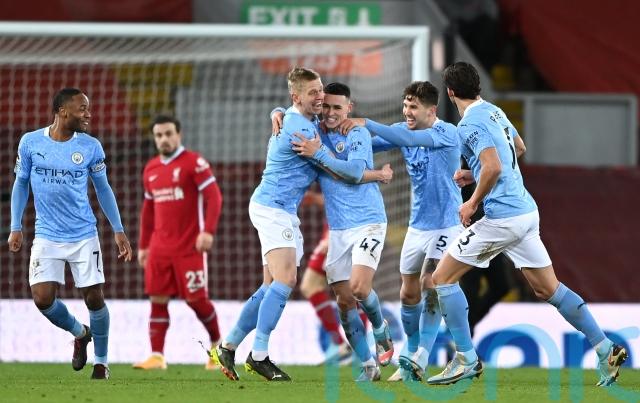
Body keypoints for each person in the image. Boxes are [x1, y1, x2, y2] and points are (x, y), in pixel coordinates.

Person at [426, 61, 627, 386]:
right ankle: (605, 348)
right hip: (526, 213)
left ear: (450, 93)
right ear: (477, 86)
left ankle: (465, 358)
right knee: (549, 288)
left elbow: (493, 167)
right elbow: (518, 148)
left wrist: (472, 201)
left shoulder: (469, 124)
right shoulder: (494, 111)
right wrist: (474, 173)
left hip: (502, 218)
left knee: (441, 278)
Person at [338, 81, 463, 382]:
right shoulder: (401, 130)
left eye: (413, 107)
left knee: (430, 282)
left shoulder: (446, 132)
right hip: (417, 226)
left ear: (431, 110)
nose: (407, 111)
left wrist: (366, 121)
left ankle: (419, 356)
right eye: (405, 105)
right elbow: (370, 144)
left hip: (448, 223)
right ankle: (412, 351)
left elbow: (401, 137)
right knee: (408, 292)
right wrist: (340, 142)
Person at [8, 87, 133, 380]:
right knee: (42, 298)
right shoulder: (30, 142)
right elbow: (21, 183)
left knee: (94, 298)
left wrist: (118, 230)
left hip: (83, 234)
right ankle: (80, 333)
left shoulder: (90, 147)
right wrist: (16, 226)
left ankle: (101, 363)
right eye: (82, 108)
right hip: (46, 234)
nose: (88, 114)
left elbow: (103, 188)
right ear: (63, 111)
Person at [210, 67, 326, 382]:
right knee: (286, 279)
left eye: (321, 89)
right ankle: (259, 355)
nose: (320, 96)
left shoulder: (297, 118)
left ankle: (228, 346)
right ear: (296, 97)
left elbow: (292, 115)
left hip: (278, 208)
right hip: (273, 208)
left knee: (270, 285)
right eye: (313, 92)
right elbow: (333, 166)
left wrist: (275, 111)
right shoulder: (299, 128)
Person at [291, 82, 394, 382]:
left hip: (369, 221)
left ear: (350, 108)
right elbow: (291, 113)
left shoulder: (356, 133)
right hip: (338, 229)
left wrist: (319, 154)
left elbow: (355, 172)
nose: (331, 112)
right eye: (327, 106)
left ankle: (380, 328)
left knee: (360, 288)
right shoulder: (315, 131)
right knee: (344, 301)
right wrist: (276, 113)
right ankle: (368, 364)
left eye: (338, 107)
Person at [133, 115, 223, 371]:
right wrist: (143, 246)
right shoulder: (151, 169)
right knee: (157, 299)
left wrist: (208, 231)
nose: (164, 139)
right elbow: (148, 211)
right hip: (159, 248)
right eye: (159, 135)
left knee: (196, 300)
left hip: (189, 247)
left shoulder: (194, 163)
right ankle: (157, 356)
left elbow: (214, 197)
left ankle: (218, 347)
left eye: (168, 134)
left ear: (179, 135)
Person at [297, 190, 353, 365]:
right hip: (336, 230)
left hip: (339, 231)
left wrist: (333, 235)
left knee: (352, 291)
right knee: (349, 290)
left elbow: (349, 193)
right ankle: (346, 345)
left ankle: (348, 346)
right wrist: (317, 199)